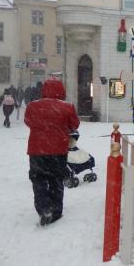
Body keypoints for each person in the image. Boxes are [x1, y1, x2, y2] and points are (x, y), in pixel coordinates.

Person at [24, 79, 80, 226]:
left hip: (37, 150)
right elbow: (75, 124)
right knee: (56, 179)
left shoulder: (33, 106)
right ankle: (56, 210)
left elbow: (28, 121)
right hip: (58, 150)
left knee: (39, 180)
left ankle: (44, 208)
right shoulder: (67, 107)